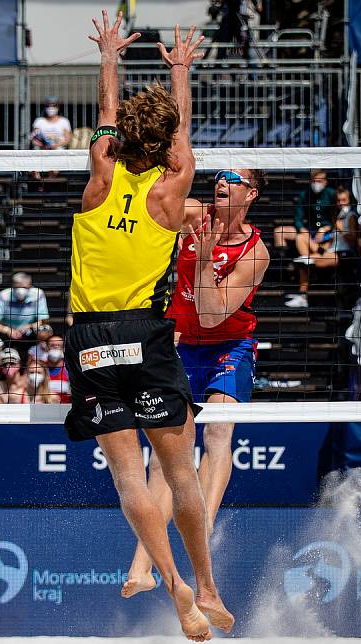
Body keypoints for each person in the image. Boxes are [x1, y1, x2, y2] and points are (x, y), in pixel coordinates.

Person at [64, 11, 232, 642]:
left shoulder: (102, 176)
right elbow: (179, 133)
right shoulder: (174, 188)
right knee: (181, 474)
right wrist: (180, 71)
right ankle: (207, 584)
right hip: (147, 334)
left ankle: (173, 586)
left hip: (91, 339)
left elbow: (106, 119)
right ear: (166, 147)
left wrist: (108, 57)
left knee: (129, 481)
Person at [123, 166, 270, 597]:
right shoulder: (195, 215)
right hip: (182, 344)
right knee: (165, 455)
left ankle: (199, 531)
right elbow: (149, 206)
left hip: (230, 345)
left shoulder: (256, 252)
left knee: (219, 433)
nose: (220, 181)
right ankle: (141, 566)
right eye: (218, 176)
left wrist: (204, 257)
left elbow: (211, 313)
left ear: (251, 193)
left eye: (232, 177)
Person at [284, 186, 360, 308]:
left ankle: (304, 294)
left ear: (349, 200)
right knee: (303, 259)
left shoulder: (350, 216)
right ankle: (303, 295)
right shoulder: (339, 216)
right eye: (338, 200)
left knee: (305, 261)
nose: (341, 203)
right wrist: (323, 246)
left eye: (344, 200)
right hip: (331, 250)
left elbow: (353, 240)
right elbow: (334, 239)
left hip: (344, 254)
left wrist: (340, 229)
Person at [274, 169, 337, 308]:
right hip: (309, 233)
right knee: (285, 234)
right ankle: (290, 266)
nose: (316, 184)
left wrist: (326, 228)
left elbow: (337, 219)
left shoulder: (332, 195)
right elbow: (298, 217)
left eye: (320, 181)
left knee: (305, 256)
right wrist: (303, 229)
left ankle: (305, 265)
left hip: (327, 235)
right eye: (314, 181)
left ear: (325, 182)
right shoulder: (305, 194)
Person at [0, 272, 50, 342]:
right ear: (12, 286)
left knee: (44, 331)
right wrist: (7, 330)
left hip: (30, 332)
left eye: (24, 287)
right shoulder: (4, 295)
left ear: (30, 286)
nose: (20, 291)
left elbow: (44, 320)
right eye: (17, 287)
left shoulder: (38, 294)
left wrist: (30, 326)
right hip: (6, 334)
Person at [30, 96, 72, 183]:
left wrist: (55, 145)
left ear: (58, 107)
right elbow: (33, 138)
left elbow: (67, 139)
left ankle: (49, 183)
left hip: (58, 148)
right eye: (48, 106)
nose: (51, 108)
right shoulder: (39, 121)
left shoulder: (64, 121)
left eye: (53, 105)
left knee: (56, 161)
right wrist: (43, 145)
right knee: (34, 161)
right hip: (41, 148)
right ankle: (39, 183)